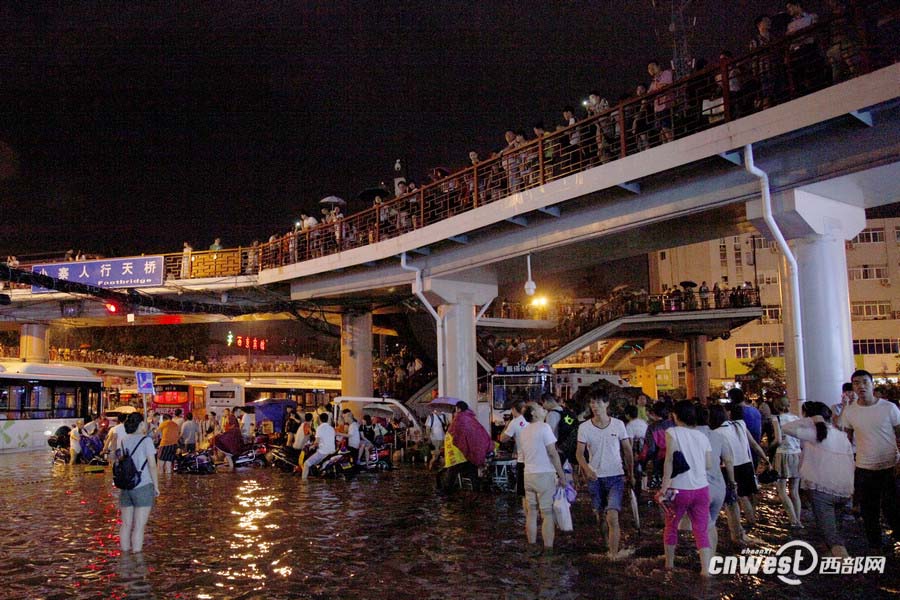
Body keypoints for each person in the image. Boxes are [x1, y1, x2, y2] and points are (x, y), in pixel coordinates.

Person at [781, 401, 854, 558]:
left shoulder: (814, 434)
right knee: (836, 528)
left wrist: (811, 420)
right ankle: (834, 556)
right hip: (844, 489)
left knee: (831, 535)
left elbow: (786, 427)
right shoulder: (841, 436)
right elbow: (850, 461)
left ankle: (846, 566)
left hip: (821, 489)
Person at [841, 369, 900, 551]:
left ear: (872, 384)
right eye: (856, 383)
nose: (861, 386)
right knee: (869, 509)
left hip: (890, 465)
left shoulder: (889, 408)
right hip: (864, 467)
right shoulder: (850, 412)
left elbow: (899, 434)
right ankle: (876, 545)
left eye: (865, 382)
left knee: (892, 506)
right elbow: (847, 439)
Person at [576, 390, 634, 560]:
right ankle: (607, 544)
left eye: (599, 403)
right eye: (592, 403)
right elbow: (579, 453)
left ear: (607, 404)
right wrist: (586, 470)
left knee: (612, 515)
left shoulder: (618, 425)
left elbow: (627, 450)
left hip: (616, 475)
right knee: (600, 515)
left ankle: (613, 556)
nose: (595, 406)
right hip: (595, 477)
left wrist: (631, 473)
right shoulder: (584, 427)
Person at [659, 401, 713, 576]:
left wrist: (664, 486)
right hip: (702, 489)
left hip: (678, 490)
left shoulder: (672, 432)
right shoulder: (703, 436)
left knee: (671, 526)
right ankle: (706, 570)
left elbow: (669, 460)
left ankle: (669, 565)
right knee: (701, 530)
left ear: (675, 416)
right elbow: (709, 464)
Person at [519, 401, 567, 556]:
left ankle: (531, 545)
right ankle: (548, 550)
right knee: (547, 513)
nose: (543, 409)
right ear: (533, 413)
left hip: (528, 474)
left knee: (531, 512)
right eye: (540, 408)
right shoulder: (544, 428)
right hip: (544, 474)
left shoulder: (524, 431)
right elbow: (552, 453)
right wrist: (561, 475)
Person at [718, 403, 769, 533]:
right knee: (750, 494)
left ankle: (748, 523)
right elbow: (754, 444)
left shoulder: (717, 431)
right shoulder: (740, 424)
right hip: (746, 463)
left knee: (739, 497)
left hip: (732, 466)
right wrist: (765, 458)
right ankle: (753, 520)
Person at [117, 413, 159, 554]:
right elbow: (152, 465)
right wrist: (156, 486)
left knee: (126, 524)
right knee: (139, 526)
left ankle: (124, 557)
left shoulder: (124, 440)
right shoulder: (146, 441)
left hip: (126, 486)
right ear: (141, 424)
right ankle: (137, 558)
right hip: (143, 486)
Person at [697, 404, 734, 556]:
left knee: (701, 527)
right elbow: (729, 461)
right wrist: (732, 483)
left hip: (700, 489)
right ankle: (711, 559)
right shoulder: (718, 436)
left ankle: (706, 569)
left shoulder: (689, 436)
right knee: (711, 525)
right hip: (719, 487)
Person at [770, 397, 802, 529]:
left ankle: (793, 519)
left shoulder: (776, 419)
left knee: (782, 490)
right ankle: (798, 519)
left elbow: (777, 440)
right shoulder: (796, 418)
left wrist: (769, 447)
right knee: (794, 491)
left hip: (783, 454)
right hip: (797, 453)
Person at [499, 400, 528, 503]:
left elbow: (502, 439)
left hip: (523, 460)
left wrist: (507, 425)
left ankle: (525, 514)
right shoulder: (533, 419)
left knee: (523, 493)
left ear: (514, 410)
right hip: (536, 460)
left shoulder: (514, 422)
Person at [301, 413, 336, 480]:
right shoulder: (331, 428)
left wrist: (311, 446)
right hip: (332, 451)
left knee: (306, 464)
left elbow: (316, 442)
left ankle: (303, 483)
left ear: (319, 420)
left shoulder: (319, 428)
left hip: (323, 452)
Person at [647, 60, 674, 144]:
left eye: (652, 66)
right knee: (661, 131)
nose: (651, 69)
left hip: (666, 105)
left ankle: (671, 144)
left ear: (658, 66)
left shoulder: (666, 73)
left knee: (666, 128)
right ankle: (665, 146)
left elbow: (665, 85)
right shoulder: (653, 81)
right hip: (657, 108)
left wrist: (655, 89)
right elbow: (648, 94)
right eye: (649, 68)